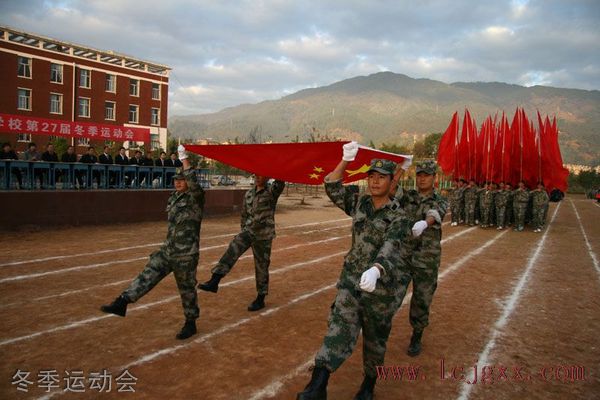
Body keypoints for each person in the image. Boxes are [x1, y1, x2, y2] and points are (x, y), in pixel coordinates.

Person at [297, 143, 413, 400]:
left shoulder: (399, 216)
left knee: (375, 340)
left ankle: (369, 385)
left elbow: (391, 246)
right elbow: (332, 187)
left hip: (380, 288)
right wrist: (345, 160)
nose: (374, 182)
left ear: (391, 181)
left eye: (381, 177)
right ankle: (317, 387)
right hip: (351, 281)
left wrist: (376, 269)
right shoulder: (360, 203)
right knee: (338, 327)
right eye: (371, 176)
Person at [100, 145, 205, 340]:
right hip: (168, 249)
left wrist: (183, 159)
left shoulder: (196, 198)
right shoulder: (173, 198)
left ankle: (191, 323)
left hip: (186, 254)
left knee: (187, 289)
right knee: (149, 272)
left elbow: (193, 182)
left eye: (181, 180)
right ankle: (123, 301)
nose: (178, 183)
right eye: (176, 180)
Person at [198, 172, 286, 311]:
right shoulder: (249, 194)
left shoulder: (271, 191)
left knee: (261, 266)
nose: (257, 177)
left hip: (263, 236)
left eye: (261, 175)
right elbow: (244, 214)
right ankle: (215, 280)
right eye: (256, 175)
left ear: (267, 177)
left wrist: (277, 166)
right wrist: (243, 228)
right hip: (248, 232)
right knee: (232, 249)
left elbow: (280, 182)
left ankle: (260, 298)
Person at [392, 160, 448, 357]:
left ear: (434, 178)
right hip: (404, 254)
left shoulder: (440, 200)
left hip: (427, 258)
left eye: (427, 175)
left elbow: (436, 213)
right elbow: (391, 190)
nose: (422, 178)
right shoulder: (408, 197)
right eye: (419, 174)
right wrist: (401, 169)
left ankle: (417, 335)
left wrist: (425, 223)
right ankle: (380, 328)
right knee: (392, 293)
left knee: (422, 298)